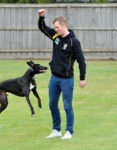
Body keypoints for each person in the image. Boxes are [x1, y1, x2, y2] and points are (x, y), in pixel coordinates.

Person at [38, 9, 86, 139]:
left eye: (57, 27)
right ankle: (56, 130)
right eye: (55, 28)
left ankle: (69, 131)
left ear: (63, 26)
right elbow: (42, 28)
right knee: (52, 104)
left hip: (67, 80)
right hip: (54, 78)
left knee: (67, 106)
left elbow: (81, 61)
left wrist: (82, 78)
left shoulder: (73, 42)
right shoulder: (55, 36)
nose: (56, 30)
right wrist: (42, 17)